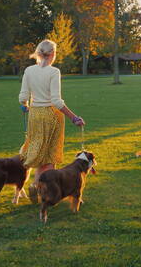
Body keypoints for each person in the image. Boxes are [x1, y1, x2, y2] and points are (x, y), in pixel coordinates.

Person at [18, 39, 85, 203]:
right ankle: (41, 187)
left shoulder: (29, 70)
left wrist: (25, 105)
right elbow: (56, 101)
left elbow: (23, 97)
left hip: (34, 115)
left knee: (40, 153)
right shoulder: (53, 72)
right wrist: (73, 117)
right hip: (51, 116)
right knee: (49, 157)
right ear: (53, 54)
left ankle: (37, 186)